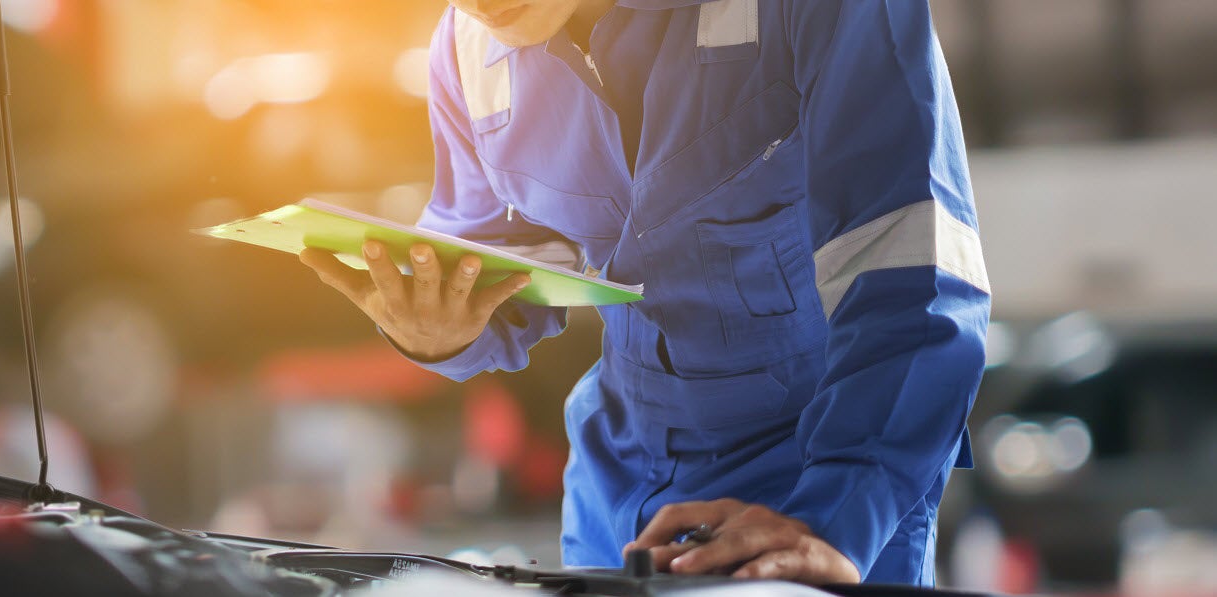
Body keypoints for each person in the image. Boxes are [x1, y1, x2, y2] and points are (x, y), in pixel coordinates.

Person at [300, 0, 989, 585]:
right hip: (617, 497)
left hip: (817, 480)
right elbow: (499, 264)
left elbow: (913, 271)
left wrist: (838, 513)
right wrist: (438, 333)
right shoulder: (469, 47)